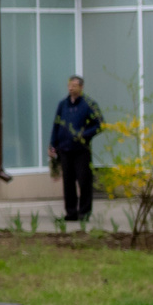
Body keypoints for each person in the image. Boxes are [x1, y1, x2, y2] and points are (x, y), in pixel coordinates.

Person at [50, 76, 103, 223]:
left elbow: (99, 124)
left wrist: (84, 135)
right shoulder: (63, 105)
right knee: (68, 182)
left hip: (81, 150)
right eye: (69, 85)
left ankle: (84, 212)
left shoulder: (88, 104)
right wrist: (53, 145)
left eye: (74, 85)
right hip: (64, 149)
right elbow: (56, 125)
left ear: (81, 87)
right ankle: (71, 212)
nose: (71, 88)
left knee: (84, 181)